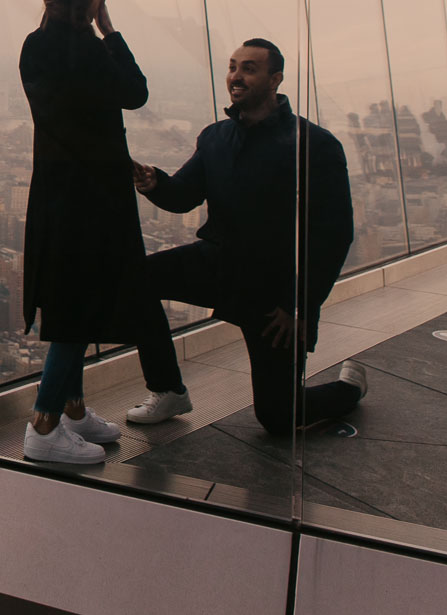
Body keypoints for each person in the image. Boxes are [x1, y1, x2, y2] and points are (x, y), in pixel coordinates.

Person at [125, 39, 366, 436]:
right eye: (233, 66)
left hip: (274, 293)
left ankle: (348, 389)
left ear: (276, 79)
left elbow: (334, 235)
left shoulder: (315, 146)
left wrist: (299, 306)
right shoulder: (216, 137)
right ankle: (168, 389)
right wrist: (154, 182)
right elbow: (185, 195)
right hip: (219, 264)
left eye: (249, 68)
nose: (236, 76)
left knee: (278, 416)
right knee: (137, 279)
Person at [18, 0, 186, 463]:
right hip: (92, 201)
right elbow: (135, 92)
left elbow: (75, 120)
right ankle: (45, 428)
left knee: (76, 302)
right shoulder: (87, 50)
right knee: (77, 308)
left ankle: (73, 411)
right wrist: (109, 30)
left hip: (56, 193)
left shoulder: (35, 45)